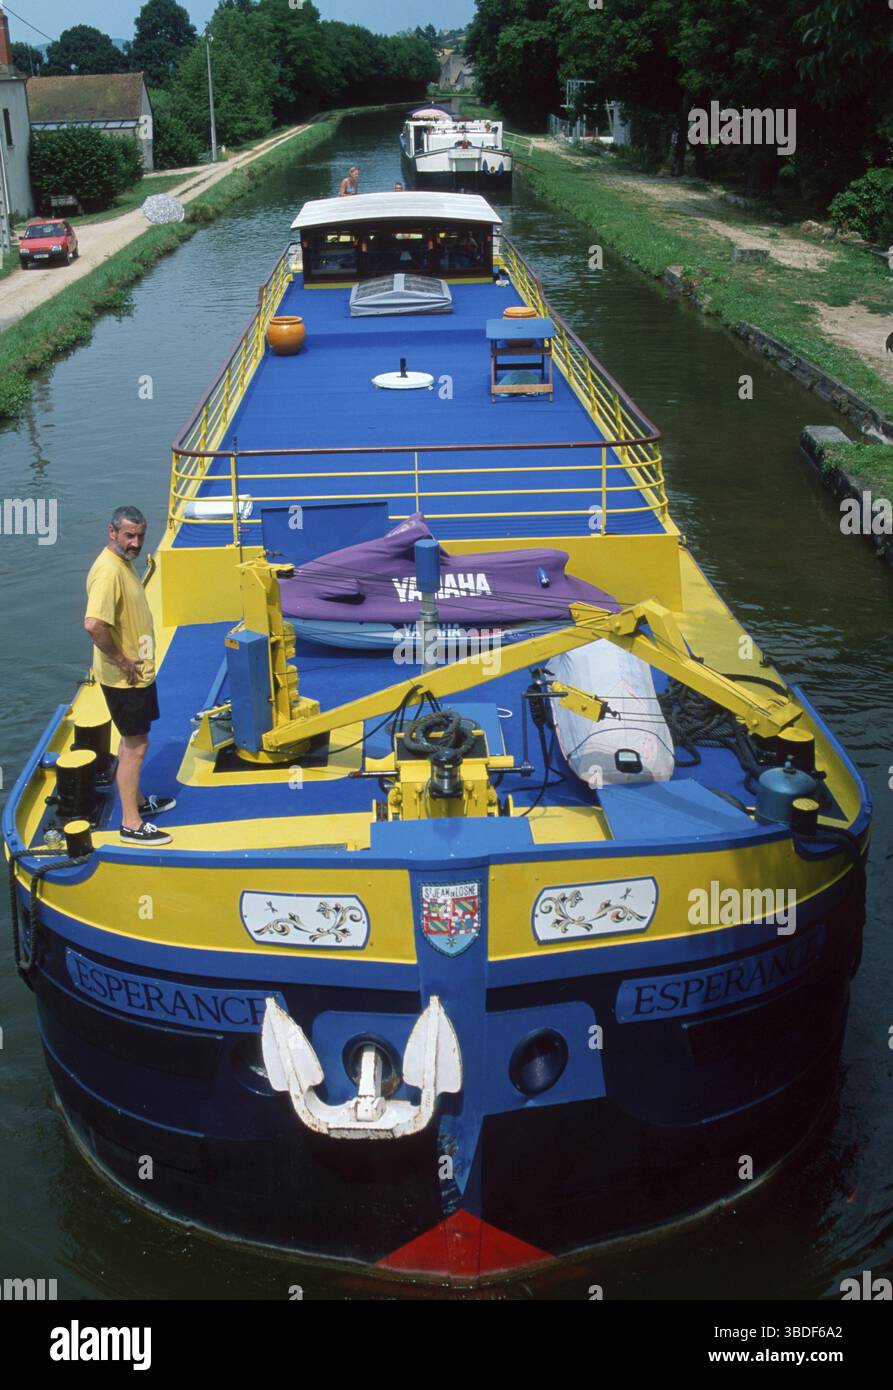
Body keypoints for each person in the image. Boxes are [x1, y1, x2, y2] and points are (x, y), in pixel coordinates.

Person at [84, 507, 175, 847]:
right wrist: (122, 659)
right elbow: (94, 625)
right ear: (112, 532)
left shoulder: (122, 564)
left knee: (131, 741)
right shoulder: (108, 573)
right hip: (126, 678)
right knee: (136, 747)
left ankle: (136, 802)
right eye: (128, 536)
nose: (135, 543)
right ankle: (131, 823)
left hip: (136, 676)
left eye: (139, 536)